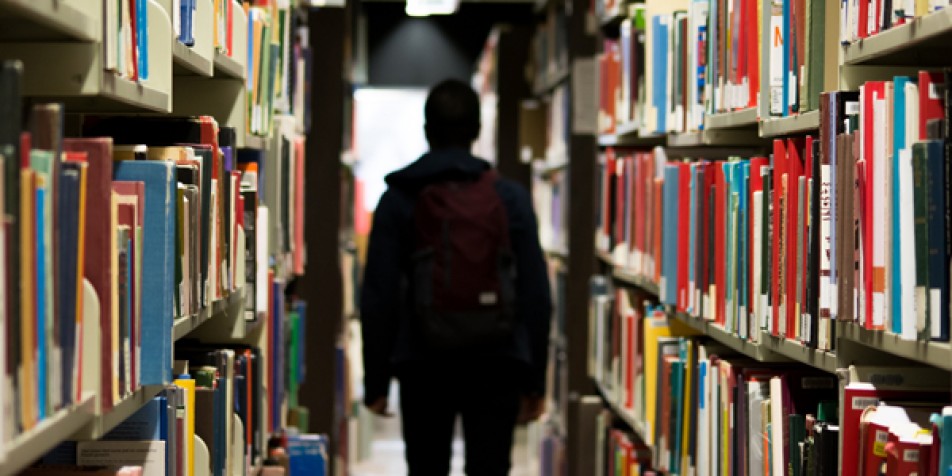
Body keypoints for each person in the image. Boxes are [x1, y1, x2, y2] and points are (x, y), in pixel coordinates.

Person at [360, 78, 552, 476]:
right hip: (497, 360)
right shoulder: (509, 197)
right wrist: (534, 380)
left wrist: (376, 381)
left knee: (427, 467)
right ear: (477, 130)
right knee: (490, 467)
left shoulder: (398, 198)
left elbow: (379, 294)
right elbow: (536, 292)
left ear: (427, 130)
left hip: (423, 360)